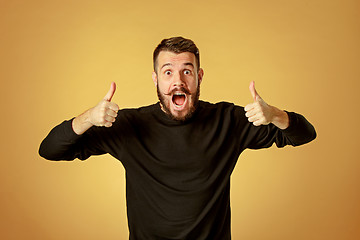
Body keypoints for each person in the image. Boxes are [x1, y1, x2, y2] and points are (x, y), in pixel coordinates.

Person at [39, 36, 316, 240]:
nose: (178, 81)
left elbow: (304, 134)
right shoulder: (128, 125)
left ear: (199, 76)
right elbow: (49, 149)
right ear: (156, 79)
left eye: (187, 70)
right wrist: (88, 117)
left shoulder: (228, 121)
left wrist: (275, 115)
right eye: (168, 72)